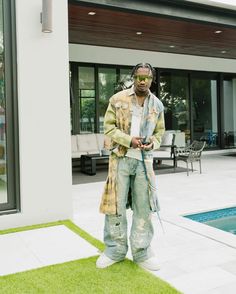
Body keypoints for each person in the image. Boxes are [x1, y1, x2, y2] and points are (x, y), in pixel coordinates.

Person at [96, 63, 165, 271]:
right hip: (121, 160)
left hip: (144, 162)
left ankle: (142, 252)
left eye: (147, 77)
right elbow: (108, 128)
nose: (143, 81)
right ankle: (114, 250)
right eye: (139, 77)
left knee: (143, 207)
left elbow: (159, 134)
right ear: (133, 77)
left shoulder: (157, 105)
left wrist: (152, 142)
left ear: (152, 79)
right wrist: (128, 140)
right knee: (115, 206)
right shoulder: (117, 99)